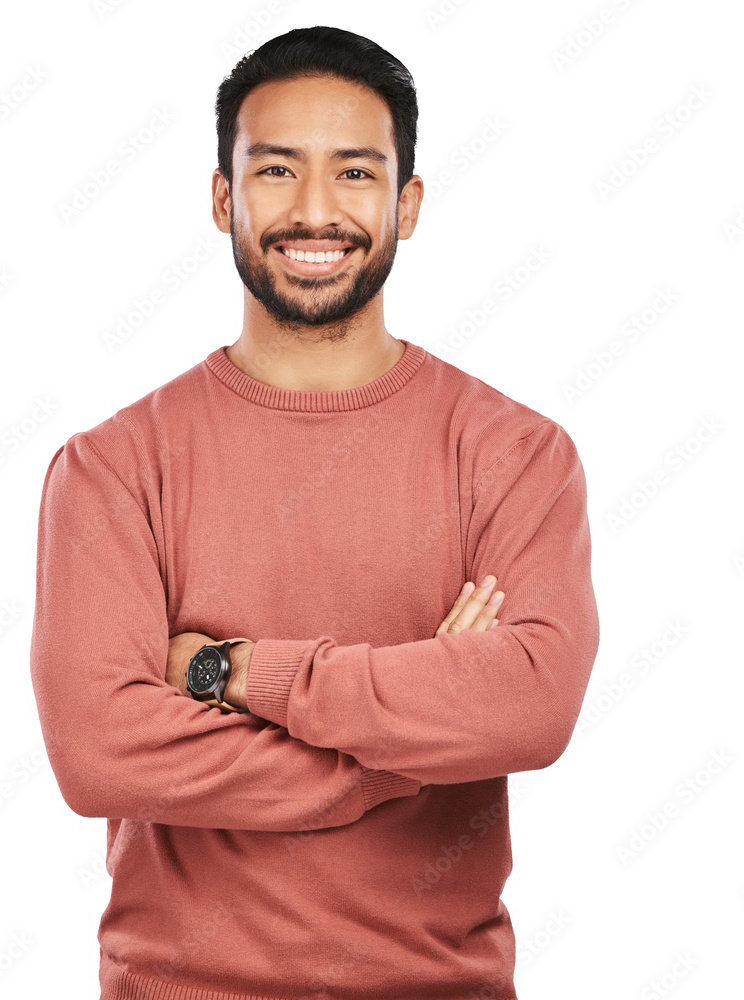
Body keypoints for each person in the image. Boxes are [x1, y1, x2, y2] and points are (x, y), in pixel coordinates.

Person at [30, 25, 600, 1000]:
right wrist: (395, 752)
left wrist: (232, 671)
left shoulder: (517, 454)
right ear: (223, 199)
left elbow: (532, 703)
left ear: (408, 204)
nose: (315, 211)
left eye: (356, 174)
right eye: (277, 170)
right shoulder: (111, 467)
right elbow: (97, 751)